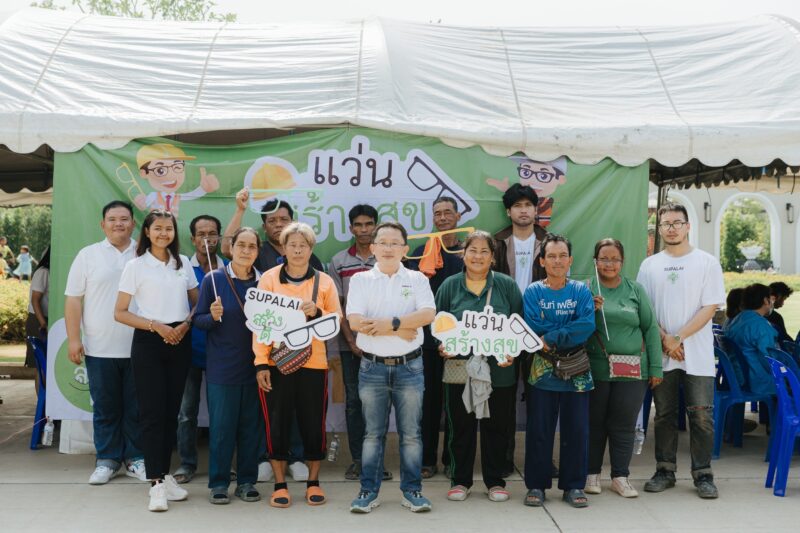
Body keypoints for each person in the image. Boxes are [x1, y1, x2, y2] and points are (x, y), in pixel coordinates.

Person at [222, 190, 321, 482]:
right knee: (269, 406)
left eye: (283, 219)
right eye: (272, 220)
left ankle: (297, 457)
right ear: (264, 226)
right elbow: (227, 248)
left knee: (298, 406)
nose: (278, 224)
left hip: (302, 346)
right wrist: (240, 210)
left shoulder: (310, 258)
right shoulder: (258, 251)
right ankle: (266, 456)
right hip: (264, 342)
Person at [637, 203, 725, 499]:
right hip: (663, 353)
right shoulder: (649, 265)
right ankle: (665, 470)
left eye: (677, 223)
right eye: (666, 224)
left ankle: (703, 474)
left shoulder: (707, 262)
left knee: (701, 416)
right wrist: (665, 339)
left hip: (696, 354)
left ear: (688, 226)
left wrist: (679, 337)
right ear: (659, 229)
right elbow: (645, 309)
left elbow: (710, 306)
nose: (671, 228)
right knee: (664, 415)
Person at [347, 222, 436, 513]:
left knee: (411, 434)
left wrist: (391, 324)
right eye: (382, 242)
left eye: (394, 243)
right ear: (372, 248)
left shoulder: (417, 278)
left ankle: (412, 491)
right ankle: (368, 491)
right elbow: (355, 322)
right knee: (372, 434)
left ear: (404, 249)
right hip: (372, 368)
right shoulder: (361, 280)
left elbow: (427, 314)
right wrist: (402, 328)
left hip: (410, 368)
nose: (388, 248)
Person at [114, 209, 198, 512]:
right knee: (151, 415)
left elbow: (197, 302)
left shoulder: (183, 262)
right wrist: (156, 326)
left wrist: (185, 325)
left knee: (170, 414)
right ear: (147, 232)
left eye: (168, 228)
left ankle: (164, 474)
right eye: (158, 228)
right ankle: (156, 484)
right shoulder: (135, 266)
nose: (164, 233)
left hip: (180, 341)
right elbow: (120, 312)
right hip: (149, 342)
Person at [253, 222, 341, 508]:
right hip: (276, 363)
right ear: (284, 248)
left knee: (313, 423)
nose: (298, 250)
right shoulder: (269, 279)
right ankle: (280, 484)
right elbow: (260, 325)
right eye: (292, 245)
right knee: (276, 423)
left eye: (303, 245)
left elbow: (337, 320)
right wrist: (261, 363)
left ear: (311, 249)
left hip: (314, 363)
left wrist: (318, 312)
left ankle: (313, 482)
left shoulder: (324, 282)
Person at [435, 231, 521, 502]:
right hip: (459, 367)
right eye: (473, 250)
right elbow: (438, 325)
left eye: (485, 251)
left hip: (499, 370)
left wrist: (512, 352)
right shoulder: (450, 286)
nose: (478, 256)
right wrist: (442, 345)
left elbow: (518, 325)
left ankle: (495, 482)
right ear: (463, 254)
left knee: (497, 427)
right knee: (460, 426)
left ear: (493, 257)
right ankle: (460, 480)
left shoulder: (506, 286)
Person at [65, 201, 146, 485]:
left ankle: (136, 459)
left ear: (133, 223)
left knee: (137, 409)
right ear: (103, 224)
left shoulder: (145, 254)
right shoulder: (88, 255)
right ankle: (107, 460)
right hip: (100, 348)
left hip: (140, 347)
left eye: (124, 219)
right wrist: (74, 339)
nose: (118, 224)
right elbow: (73, 300)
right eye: (112, 219)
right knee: (105, 408)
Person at [585, 238, 663, 498]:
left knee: (624, 424)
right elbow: (576, 327)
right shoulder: (586, 289)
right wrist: (588, 309)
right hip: (596, 369)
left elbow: (650, 329)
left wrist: (656, 368)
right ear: (595, 261)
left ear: (622, 262)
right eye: (604, 259)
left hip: (633, 371)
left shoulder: (635, 290)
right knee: (595, 423)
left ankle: (620, 477)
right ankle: (591, 474)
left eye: (614, 259)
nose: (609, 264)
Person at [522, 233, 595, 509]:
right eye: (551, 256)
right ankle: (536, 486)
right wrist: (566, 330)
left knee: (577, 431)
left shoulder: (581, 291)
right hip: (542, 371)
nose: (557, 261)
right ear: (542, 261)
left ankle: (574, 486)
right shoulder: (533, 292)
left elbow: (586, 326)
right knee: (538, 431)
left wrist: (552, 336)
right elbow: (532, 327)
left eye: (562, 255)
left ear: (571, 260)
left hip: (578, 371)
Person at [194, 227, 263, 504]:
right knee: (222, 429)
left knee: (251, 429)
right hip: (223, 368)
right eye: (241, 245)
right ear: (230, 248)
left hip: (257, 368)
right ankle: (219, 483)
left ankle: (247, 482)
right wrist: (212, 317)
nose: (246, 250)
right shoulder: (214, 279)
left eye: (252, 246)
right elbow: (198, 320)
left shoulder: (266, 282)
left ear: (258, 251)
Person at [328, 204, 392, 481]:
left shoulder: (388, 258)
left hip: (385, 344)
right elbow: (337, 307)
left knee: (379, 403)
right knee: (354, 402)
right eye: (358, 225)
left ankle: (377, 461)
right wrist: (352, 342)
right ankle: (358, 460)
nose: (364, 230)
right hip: (350, 346)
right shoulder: (339, 261)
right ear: (351, 228)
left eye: (369, 224)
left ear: (376, 226)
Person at [405, 196, 465, 479]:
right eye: (437, 213)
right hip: (426, 344)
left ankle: (452, 460)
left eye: (448, 213)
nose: (442, 218)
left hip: (458, 343)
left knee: (455, 403)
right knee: (427, 404)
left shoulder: (469, 253)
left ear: (458, 217)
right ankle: (427, 460)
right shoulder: (419, 254)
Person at [492, 183, 549, 477]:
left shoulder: (550, 242)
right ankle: (502, 460)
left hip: (540, 329)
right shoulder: (497, 242)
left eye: (528, 205)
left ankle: (540, 461)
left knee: (541, 398)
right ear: (508, 211)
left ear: (536, 209)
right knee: (503, 399)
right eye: (517, 206)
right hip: (504, 330)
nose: (523, 210)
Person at [173, 215, 227, 484]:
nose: (207, 238)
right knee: (186, 413)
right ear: (193, 239)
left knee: (222, 414)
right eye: (202, 234)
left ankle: (222, 465)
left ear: (219, 237)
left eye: (212, 233)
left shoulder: (230, 268)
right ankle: (187, 464)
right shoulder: (181, 268)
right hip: (189, 350)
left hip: (223, 353)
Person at [723, 283, 778, 395]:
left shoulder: (736, 320)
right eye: (771, 299)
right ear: (765, 300)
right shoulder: (761, 326)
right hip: (756, 380)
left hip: (735, 376)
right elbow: (768, 359)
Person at [25, 246, 50, 369]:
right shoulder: (43, 272)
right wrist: (43, 324)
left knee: (46, 364)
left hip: (44, 320)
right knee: (39, 365)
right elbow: (35, 300)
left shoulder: (51, 272)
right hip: (38, 320)